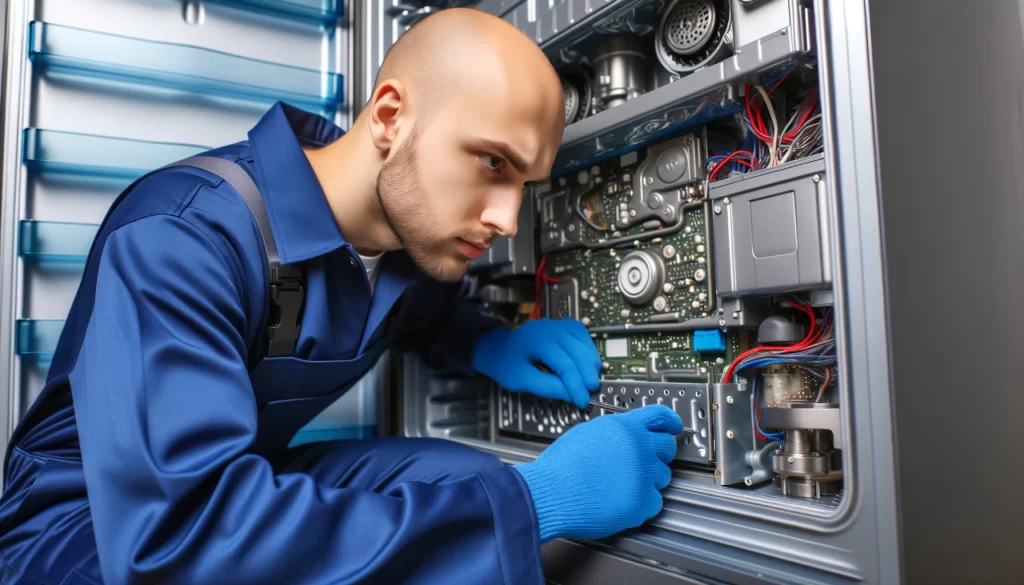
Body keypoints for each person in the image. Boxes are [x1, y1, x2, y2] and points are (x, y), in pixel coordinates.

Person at [0, 8, 683, 585]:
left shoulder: (400, 239)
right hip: (91, 533)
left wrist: (485, 340)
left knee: (457, 477)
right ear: (390, 117)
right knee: (495, 506)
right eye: (492, 163)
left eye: (524, 185)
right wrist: (538, 502)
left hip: (242, 475)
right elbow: (176, 541)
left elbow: (418, 309)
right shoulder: (181, 236)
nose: (507, 218)